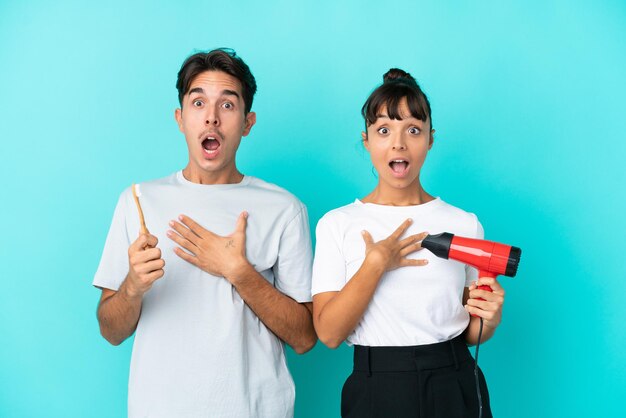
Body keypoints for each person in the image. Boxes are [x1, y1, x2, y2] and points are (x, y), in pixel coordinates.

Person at [93, 48, 317, 418]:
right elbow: (110, 330)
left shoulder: (285, 209)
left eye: (227, 106)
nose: (211, 118)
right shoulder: (138, 201)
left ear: (247, 122)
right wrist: (132, 286)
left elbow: (305, 337)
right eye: (198, 103)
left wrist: (239, 272)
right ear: (181, 118)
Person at [311, 68, 504, 418]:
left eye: (413, 130)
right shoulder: (337, 224)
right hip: (375, 386)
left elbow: (471, 331)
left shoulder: (464, 224)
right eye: (384, 130)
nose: (398, 143)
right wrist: (374, 265)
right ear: (367, 140)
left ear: (430, 139)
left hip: (453, 380)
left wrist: (489, 319)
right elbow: (328, 333)